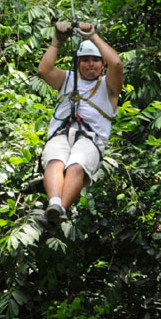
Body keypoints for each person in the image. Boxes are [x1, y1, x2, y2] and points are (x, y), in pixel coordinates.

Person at [37, 20, 123, 224]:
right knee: (55, 160)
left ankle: (60, 210)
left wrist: (93, 36)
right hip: (62, 133)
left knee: (76, 166)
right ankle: (55, 205)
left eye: (95, 60)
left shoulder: (108, 87)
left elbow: (117, 64)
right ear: (78, 63)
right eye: (85, 60)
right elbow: (44, 70)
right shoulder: (67, 79)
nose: (90, 64)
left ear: (102, 64)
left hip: (91, 139)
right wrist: (57, 41)